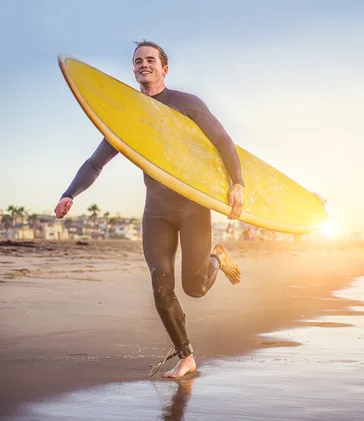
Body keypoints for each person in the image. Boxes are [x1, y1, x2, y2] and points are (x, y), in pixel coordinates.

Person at [54, 40, 245, 379]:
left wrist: (238, 183)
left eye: (150, 59)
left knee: (195, 287)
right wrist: (71, 193)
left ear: (164, 68)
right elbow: (96, 162)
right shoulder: (129, 116)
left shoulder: (187, 104)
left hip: (193, 206)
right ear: (134, 70)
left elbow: (224, 142)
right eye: (138, 61)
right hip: (156, 209)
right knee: (160, 284)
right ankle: (186, 356)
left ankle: (216, 258)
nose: (144, 64)